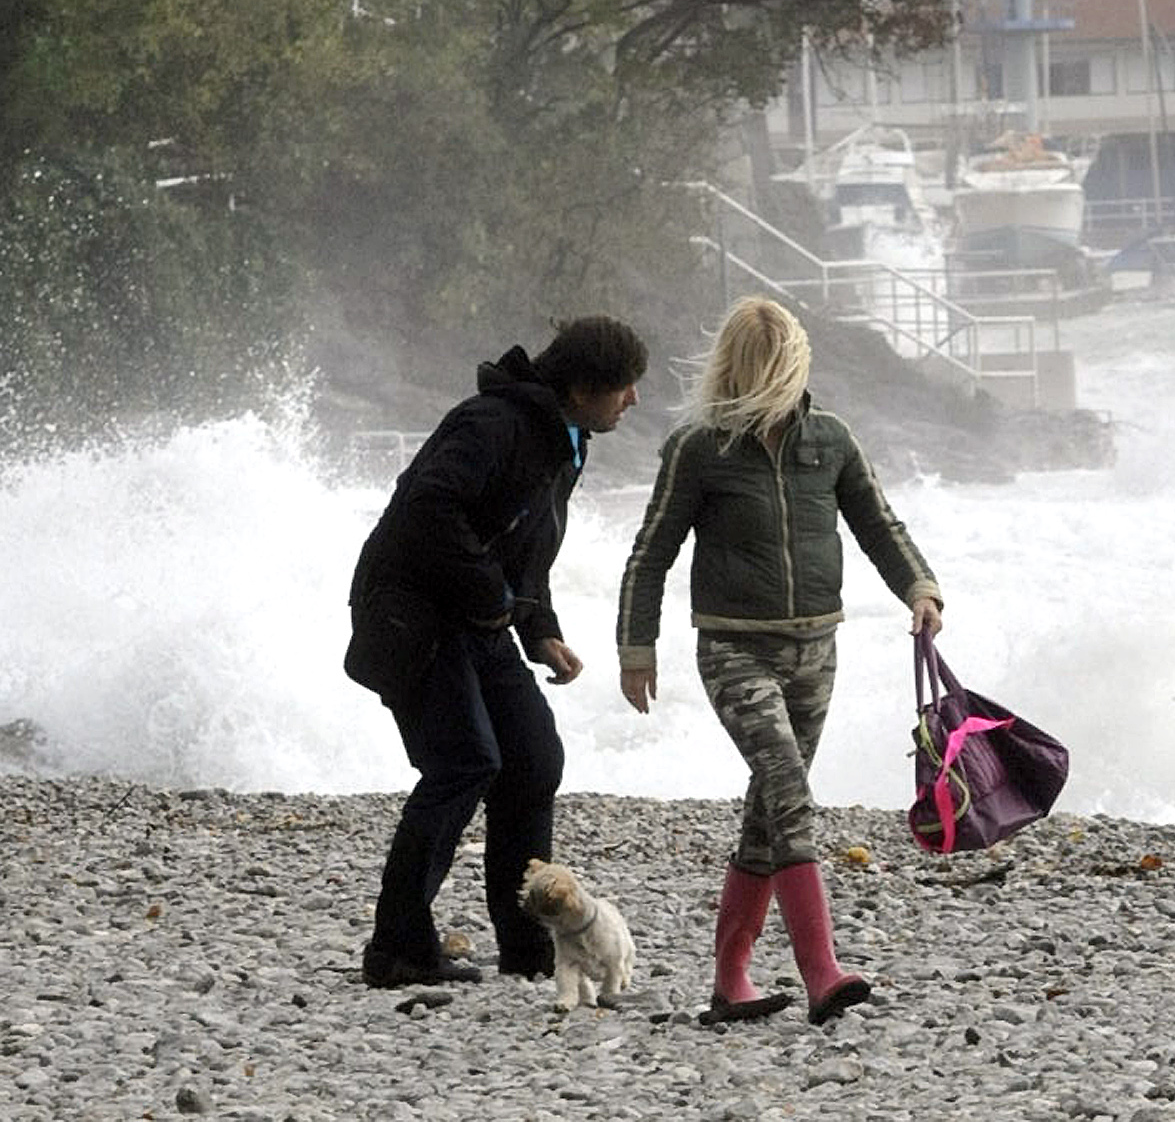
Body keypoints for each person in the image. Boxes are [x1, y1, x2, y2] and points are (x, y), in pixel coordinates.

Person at [616, 295, 941, 1025]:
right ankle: (820, 970)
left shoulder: (829, 440)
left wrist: (919, 588)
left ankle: (731, 978)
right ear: (738, 369)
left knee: (768, 813)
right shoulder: (699, 448)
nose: (775, 387)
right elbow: (650, 554)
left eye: (783, 371)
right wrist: (637, 648)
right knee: (790, 791)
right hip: (734, 647)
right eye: (762, 372)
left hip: (815, 648)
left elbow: (878, 523)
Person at [348, 314, 648, 989]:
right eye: (625, 386)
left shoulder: (561, 437)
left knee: (533, 759)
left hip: (474, 617)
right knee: (463, 763)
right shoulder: (493, 424)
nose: (633, 400)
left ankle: (529, 947)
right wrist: (491, 598)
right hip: (411, 615)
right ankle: (398, 949)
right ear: (582, 386)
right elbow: (428, 509)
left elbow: (523, 548)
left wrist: (537, 627)